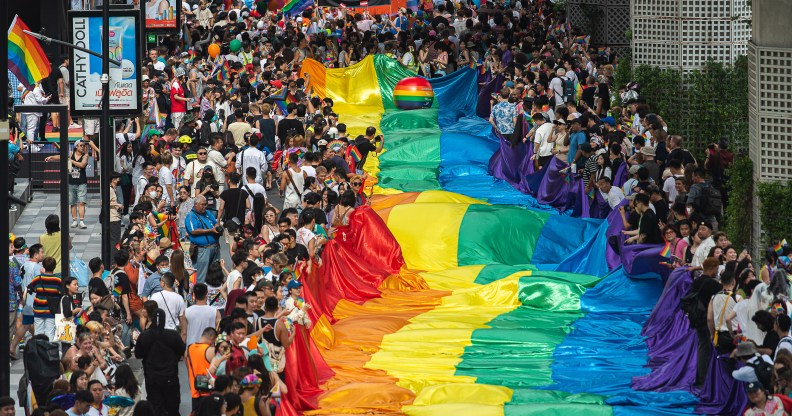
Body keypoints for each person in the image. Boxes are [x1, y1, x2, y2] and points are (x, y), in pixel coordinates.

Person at [135, 308, 186, 416]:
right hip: (170, 377)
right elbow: (182, 350)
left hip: (152, 378)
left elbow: (138, 354)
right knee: (172, 406)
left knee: (155, 408)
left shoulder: (144, 336)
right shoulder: (173, 335)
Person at [185, 195, 222, 284]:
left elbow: (215, 223)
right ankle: (199, 294)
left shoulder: (207, 213)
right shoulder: (191, 215)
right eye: (202, 205)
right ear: (196, 204)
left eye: (205, 204)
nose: (204, 207)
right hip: (203, 249)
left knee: (215, 273)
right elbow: (193, 230)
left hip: (214, 247)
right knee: (202, 275)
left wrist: (217, 227)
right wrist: (210, 230)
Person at [29, 256, 61, 342]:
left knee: (38, 332)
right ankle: (48, 351)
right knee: (50, 333)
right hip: (51, 310)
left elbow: (31, 289)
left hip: (38, 310)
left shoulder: (37, 279)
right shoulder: (58, 280)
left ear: (43, 266)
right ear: (54, 267)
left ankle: (38, 351)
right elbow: (61, 292)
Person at [186, 327, 218, 411]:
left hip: (195, 391)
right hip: (209, 392)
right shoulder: (211, 350)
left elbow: (188, 369)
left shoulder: (189, 349)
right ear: (212, 338)